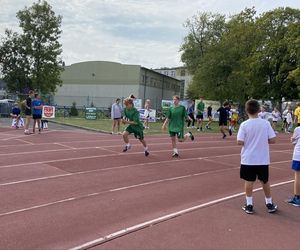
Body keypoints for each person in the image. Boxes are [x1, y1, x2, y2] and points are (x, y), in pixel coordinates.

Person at [237, 99, 277, 214]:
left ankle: (249, 204)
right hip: (262, 158)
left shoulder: (244, 124)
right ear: (259, 110)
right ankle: (269, 203)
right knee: (265, 181)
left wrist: (249, 140)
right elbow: (273, 140)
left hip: (248, 158)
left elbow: (240, 141)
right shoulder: (265, 123)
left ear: (246, 111)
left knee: (249, 181)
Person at [287, 125, 300, 206]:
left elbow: (293, 142)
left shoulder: (298, 129)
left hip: (298, 156)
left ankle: (297, 198)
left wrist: (292, 139)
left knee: (298, 176)